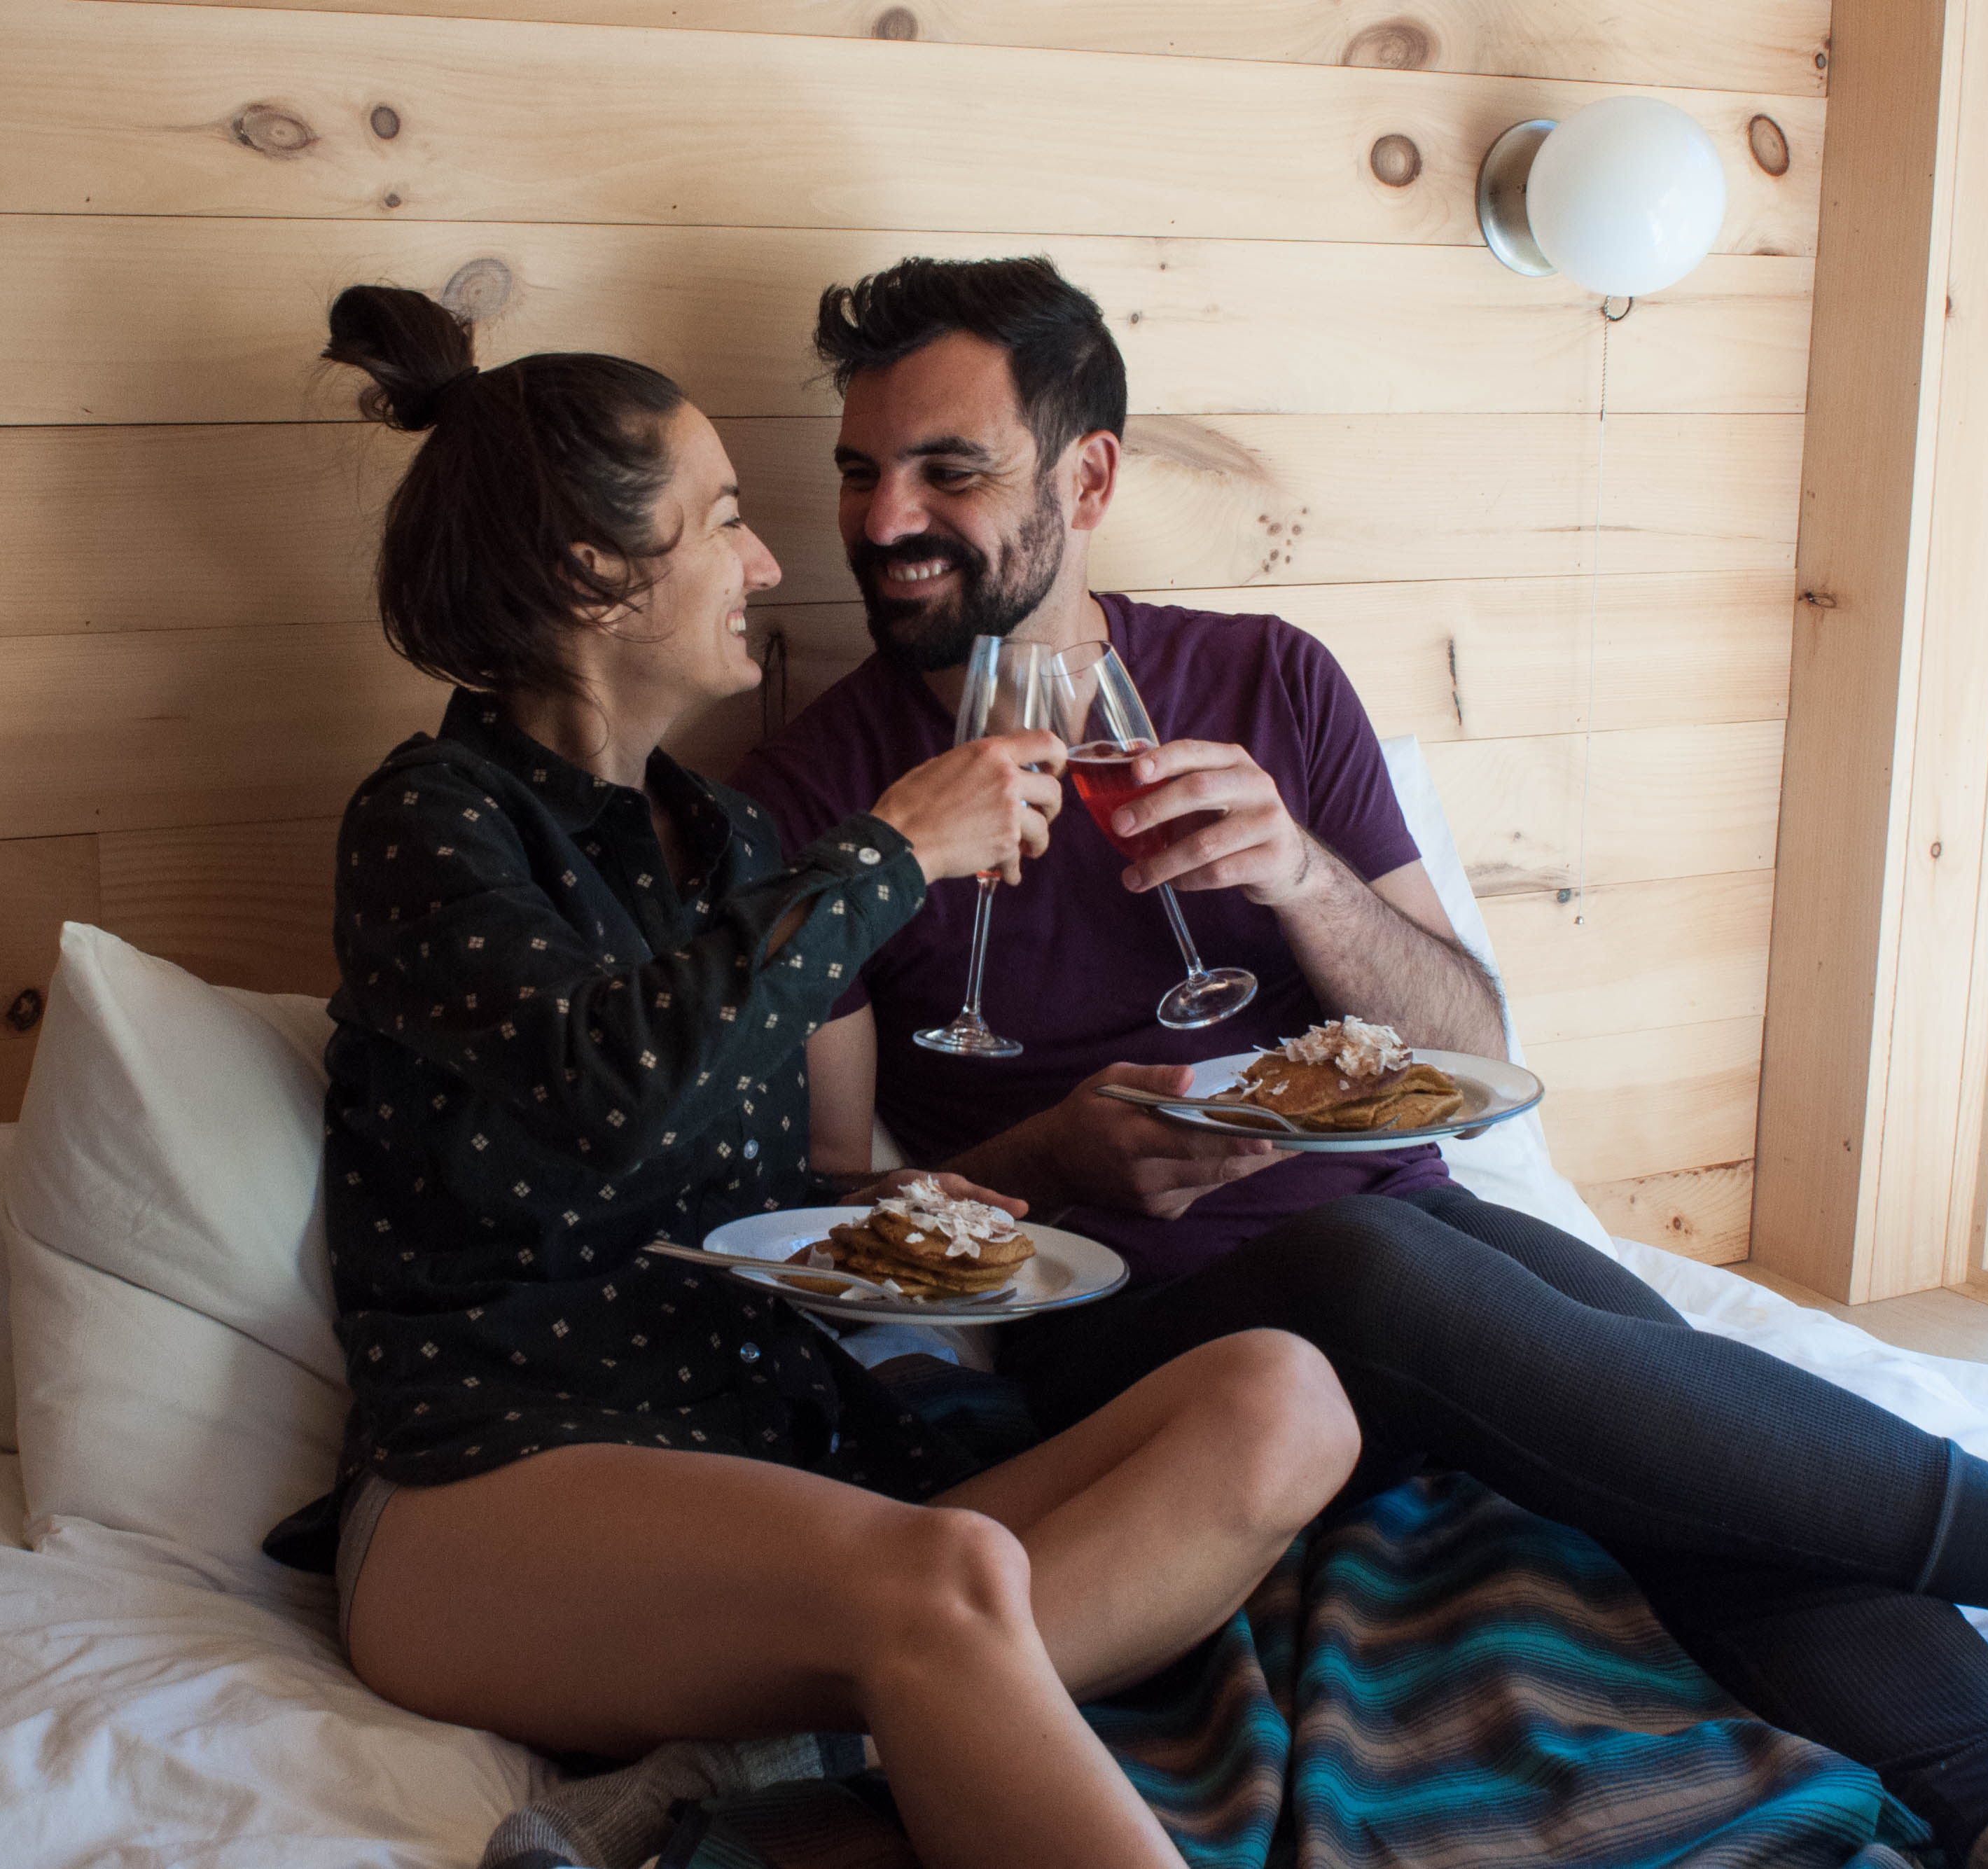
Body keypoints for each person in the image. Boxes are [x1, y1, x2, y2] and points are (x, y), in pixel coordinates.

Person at [732, 255, 1988, 1869]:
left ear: (1088, 477)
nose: (882, 524)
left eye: (950, 470)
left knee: (1708, 1451)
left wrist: (1300, 874)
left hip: (1440, 1264)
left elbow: (1470, 1045)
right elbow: (832, 1211)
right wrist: (1049, 1165)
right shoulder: (825, 798)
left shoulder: (1269, 684)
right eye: (861, 473)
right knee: (1379, 1263)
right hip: (1137, 1337)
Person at [256, 283, 1363, 1869]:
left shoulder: (728, 842)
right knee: (943, 1583)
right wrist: (895, 852)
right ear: (593, 572)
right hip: (494, 1486)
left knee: (1285, 1399)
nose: (774, 560)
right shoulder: (435, 823)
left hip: (776, 1455)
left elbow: (774, 1207)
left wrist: (1015, 1174)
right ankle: (888, 1726)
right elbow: (608, 1087)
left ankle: (767, 1790)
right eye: (722, 517)